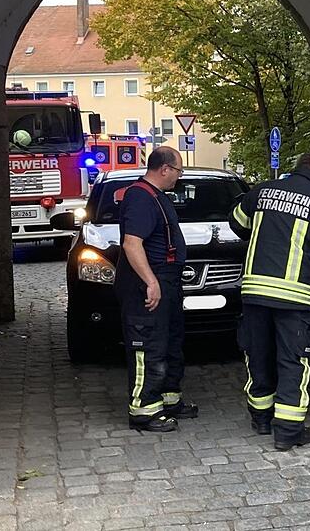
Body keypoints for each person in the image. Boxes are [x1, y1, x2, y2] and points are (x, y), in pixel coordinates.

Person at [229, 152, 310, 450]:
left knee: (258, 354)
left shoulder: (263, 191)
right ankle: (288, 432)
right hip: (294, 295)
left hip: (255, 290)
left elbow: (236, 223)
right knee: (293, 360)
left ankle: (261, 419)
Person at [114, 146, 198, 432]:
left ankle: (169, 400)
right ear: (164, 169)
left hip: (168, 281)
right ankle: (144, 411)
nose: (179, 176)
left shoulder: (156, 196)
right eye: (178, 171)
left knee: (169, 343)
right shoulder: (140, 198)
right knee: (147, 346)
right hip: (148, 284)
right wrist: (151, 282)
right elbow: (131, 244)